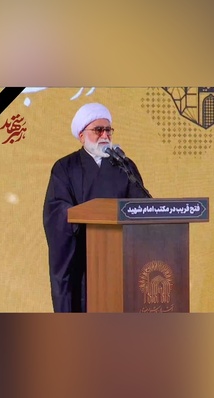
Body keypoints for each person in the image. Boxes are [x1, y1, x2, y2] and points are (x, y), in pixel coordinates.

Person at [43, 103, 150, 312]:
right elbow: (56, 211)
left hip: (120, 258)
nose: (105, 135)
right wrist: (83, 219)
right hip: (83, 257)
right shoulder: (65, 167)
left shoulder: (124, 165)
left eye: (108, 130)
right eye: (98, 130)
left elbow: (140, 205)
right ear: (81, 135)